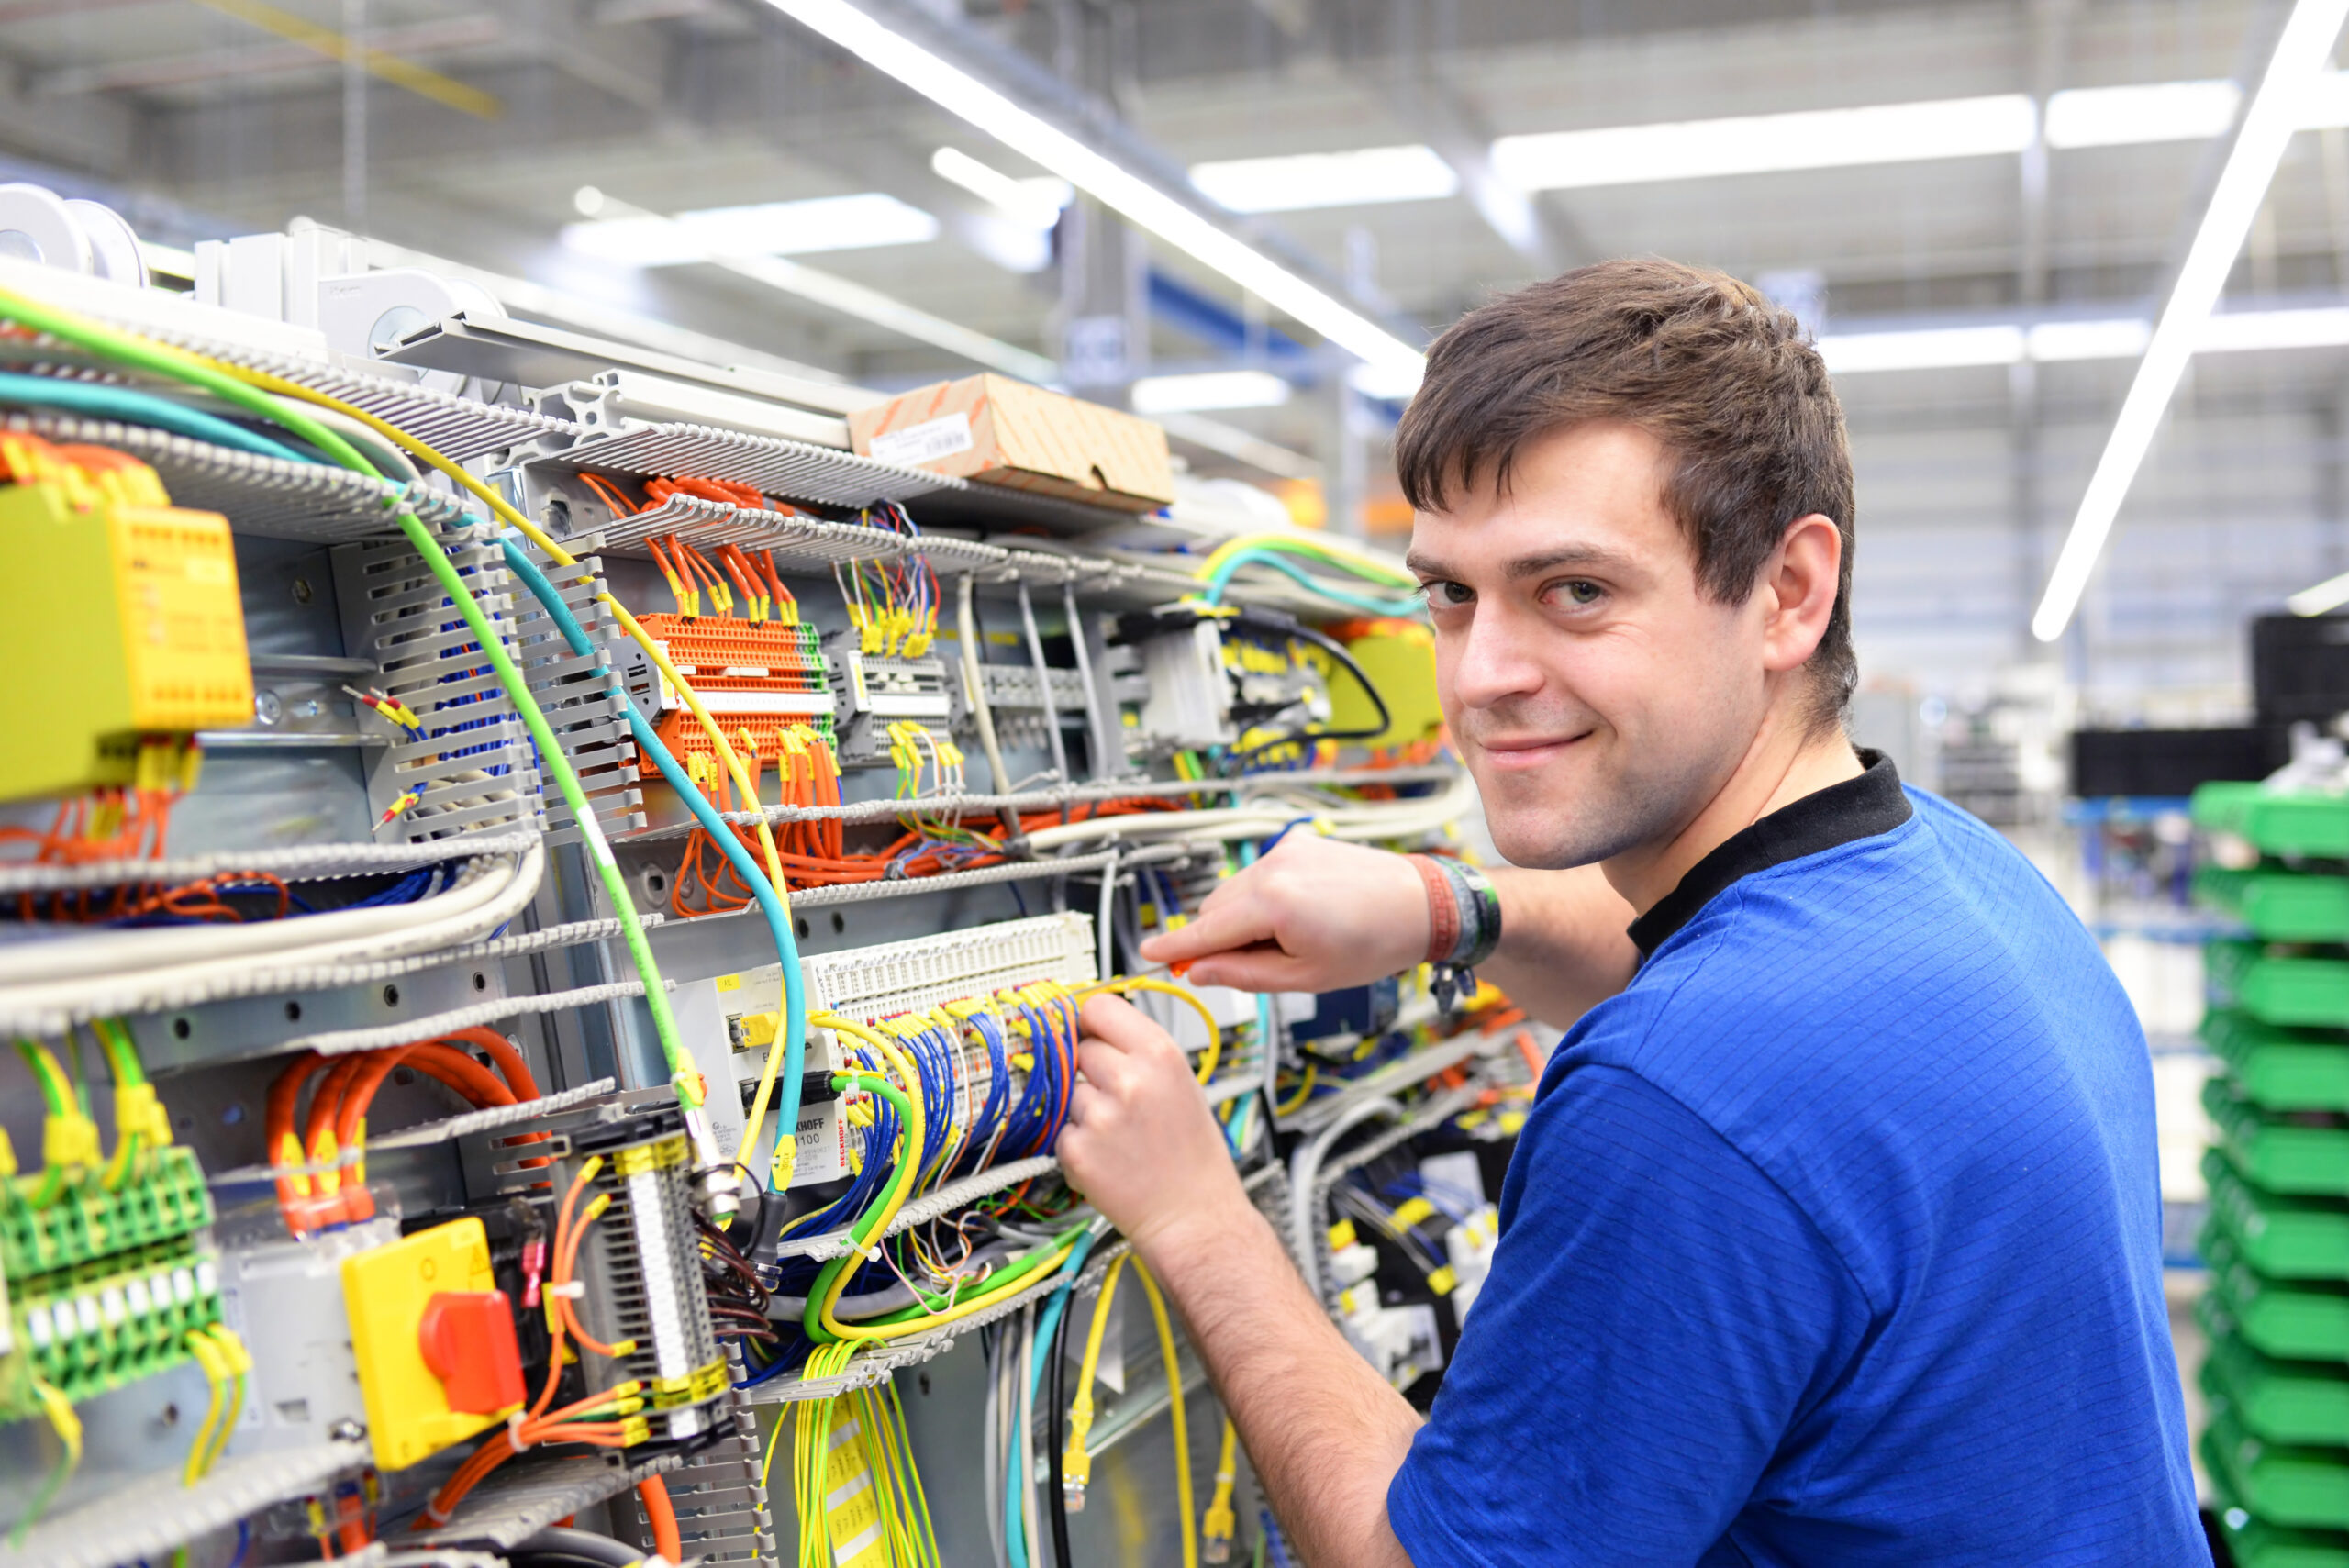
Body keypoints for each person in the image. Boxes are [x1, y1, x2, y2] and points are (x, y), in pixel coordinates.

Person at [1055, 260, 2208, 1566]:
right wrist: (1447, 907)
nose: (1481, 675)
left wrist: (1199, 1215)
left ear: (1788, 592)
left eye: (1575, 591)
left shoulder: (1680, 1095)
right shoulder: (1959, 875)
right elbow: (1729, 985)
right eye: (1450, 592)